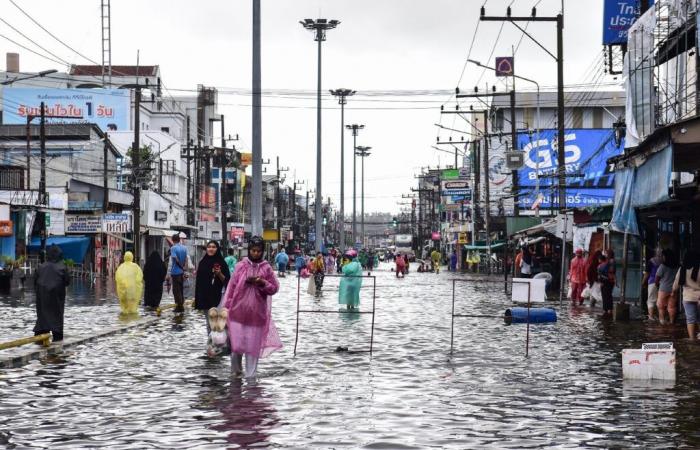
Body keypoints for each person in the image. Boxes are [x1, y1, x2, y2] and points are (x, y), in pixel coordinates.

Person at [222, 236, 281, 378]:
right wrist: (226, 308)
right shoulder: (240, 266)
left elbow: (274, 288)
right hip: (237, 313)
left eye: (258, 251)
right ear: (249, 250)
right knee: (236, 348)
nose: (255, 253)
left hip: (257, 315)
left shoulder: (266, 268)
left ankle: (251, 379)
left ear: (262, 252)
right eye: (253, 250)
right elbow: (231, 288)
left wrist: (262, 283)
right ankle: (235, 375)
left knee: (252, 350)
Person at [33, 245, 70, 342]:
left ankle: (40, 338)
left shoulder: (40, 267)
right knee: (57, 327)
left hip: (42, 300)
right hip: (56, 300)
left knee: (42, 321)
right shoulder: (62, 267)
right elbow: (67, 282)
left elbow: (35, 282)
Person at [195, 241, 231, 318]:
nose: (211, 249)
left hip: (218, 298)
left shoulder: (222, 263)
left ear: (217, 249)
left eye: (214, 247)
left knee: (216, 323)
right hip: (205, 298)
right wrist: (198, 298)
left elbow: (228, 282)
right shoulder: (202, 262)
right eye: (209, 247)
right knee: (209, 323)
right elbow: (199, 282)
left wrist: (219, 274)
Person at [673, 250, 700, 339]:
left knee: (690, 319)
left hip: (688, 298)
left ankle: (692, 339)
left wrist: (673, 292)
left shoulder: (682, 269)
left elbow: (676, 284)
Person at [115, 251, 144, 315]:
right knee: (132, 306)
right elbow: (140, 277)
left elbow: (117, 277)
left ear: (124, 257)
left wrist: (122, 284)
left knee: (125, 305)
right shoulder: (136, 266)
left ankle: (125, 314)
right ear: (132, 257)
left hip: (123, 290)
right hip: (132, 290)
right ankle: (132, 314)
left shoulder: (121, 267)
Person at [655, 249, 678, 325]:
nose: (662, 257)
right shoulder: (677, 266)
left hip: (663, 289)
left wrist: (656, 284)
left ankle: (662, 322)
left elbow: (657, 277)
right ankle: (671, 322)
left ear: (666, 257)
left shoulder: (663, 266)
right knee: (672, 307)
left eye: (663, 256)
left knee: (661, 306)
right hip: (674, 289)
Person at [168, 233, 189, 313]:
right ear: (179, 239)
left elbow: (176, 259)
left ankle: (179, 307)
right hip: (182, 272)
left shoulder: (173, 248)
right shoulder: (184, 247)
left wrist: (181, 266)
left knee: (176, 290)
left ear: (173, 240)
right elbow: (186, 259)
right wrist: (185, 268)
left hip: (175, 272)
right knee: (181, 289)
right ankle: (181, 305)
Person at [642, 248, 662, 319]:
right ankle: (660, 317)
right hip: (663, 283)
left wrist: (643, 282)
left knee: (651, 300)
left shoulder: (651, 261)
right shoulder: (663, 262)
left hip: (652, 282)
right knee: (660, 300)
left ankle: (651, 317)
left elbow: (647, 273)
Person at [598, 249, 616, 316]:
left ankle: (607, 310)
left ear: (609, 254)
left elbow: (611, 271)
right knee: (607, 295)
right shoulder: (608, 261)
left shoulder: (610, 261)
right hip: (608, 280)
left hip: (607, 281)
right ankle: (607, 309)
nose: (605, 254)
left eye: (606, 253)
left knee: (606, 295)